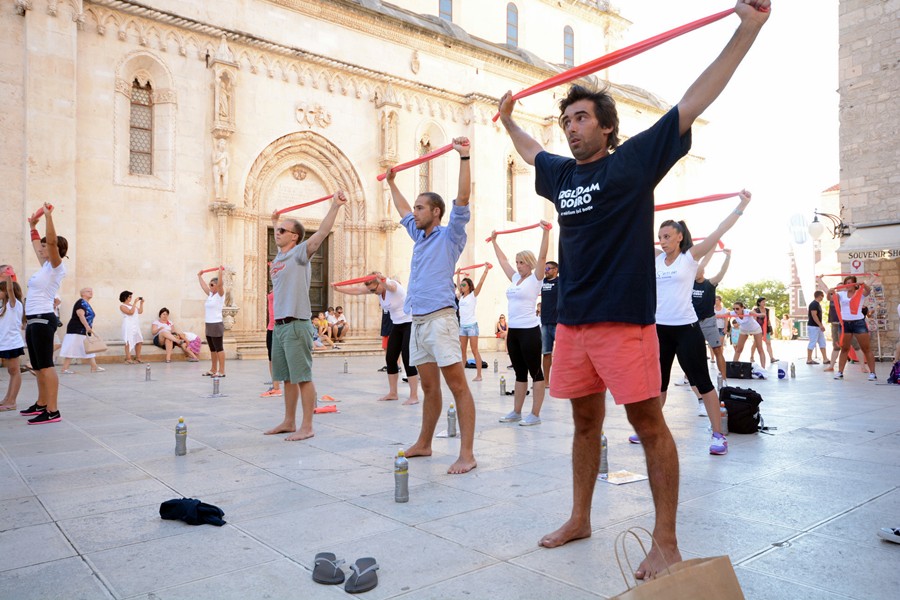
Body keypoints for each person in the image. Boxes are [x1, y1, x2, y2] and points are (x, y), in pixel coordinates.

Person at [498, 0, 771, 575]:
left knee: (648, 425)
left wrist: (747, 30)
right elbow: (529, 151)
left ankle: (666, 541)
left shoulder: (633, 162)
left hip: (624, 322)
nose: (572, 127)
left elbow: (694, 100)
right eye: (567, 119)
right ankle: (580, 517)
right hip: (571, 323)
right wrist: (507, 120)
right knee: (582, 424)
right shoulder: (562, 174)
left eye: (581, 118)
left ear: (606, 125)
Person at [385, 136, 477, 475]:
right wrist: (392, 182)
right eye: (417, 208)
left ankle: (467, 453)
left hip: (440, 319)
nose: (416, 212)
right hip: (417, 321)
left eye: (422, 208)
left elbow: (463, 198)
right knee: (427, 386)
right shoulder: (418, 234)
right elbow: (403, 209)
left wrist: (464, 156)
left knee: (457, 385)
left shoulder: (450, 234)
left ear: (435, 212)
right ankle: (424, 443)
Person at [639, 195, 751, 456]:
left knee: (703, 382)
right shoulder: (655, 258)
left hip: (686, 329)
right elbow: (631, 233)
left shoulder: (689, 258)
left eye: (667, 236)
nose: (663, 241)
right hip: (660, 329)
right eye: (660, 237)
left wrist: (741, 207)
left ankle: (718, 434)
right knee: (659, 383)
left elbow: (719, 230)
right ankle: (652, 430)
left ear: (679, 236)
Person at [265, 191, 347, 441]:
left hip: (296, 324)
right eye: (276, 230)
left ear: (295, 236)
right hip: (279, 326)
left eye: (282, 230)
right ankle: (289, 422)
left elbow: (321, 233)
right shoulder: (279, 256)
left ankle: (307, 426)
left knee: (302, 377)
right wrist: (275, 220)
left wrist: (335, 206)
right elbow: (277, 229)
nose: (277, 233)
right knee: (287, 377)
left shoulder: (300, 253)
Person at [491, 222, 551, 426]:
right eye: (517, 262)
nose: (517, 265)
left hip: (530, 331)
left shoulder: (536, 278)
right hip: (514, 331)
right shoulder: (515, 278)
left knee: (536, 372)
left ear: (529, 263)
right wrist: (494, 242)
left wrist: (546, 232)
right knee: (519, 372)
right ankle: (516, 411)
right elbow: (502, 261)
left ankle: (535, 414)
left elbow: (543, 257)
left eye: (521, 262)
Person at [334, 274, 420, 404]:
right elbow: (357, 290)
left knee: (408, 359)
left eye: (374, 289)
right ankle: (393, 393)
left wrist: (383, 281)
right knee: (390, 358)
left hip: (409, 323)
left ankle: (414, 396)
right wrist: (338, 288)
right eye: (371, 290)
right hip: (396, 325)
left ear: (380, 283)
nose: (373, 293)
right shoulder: (377, 289)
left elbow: (390, 286)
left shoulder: (393, 286)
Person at [20, 203, 68, 424]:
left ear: (55, 249)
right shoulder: (45, 267)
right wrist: (33, 226)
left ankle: (53, 410)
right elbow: (38, 244)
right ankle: (41, 403)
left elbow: (50, 240)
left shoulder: (57, 267)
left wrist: (48, 217)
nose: (41, 249)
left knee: (46, 365)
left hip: (43, 319)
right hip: (33, 321)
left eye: (45, 246)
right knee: (38, 367)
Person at [692, 248, 732, 386]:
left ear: (702, 271)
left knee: (717, 350)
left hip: (708, 322)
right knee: (692, 353)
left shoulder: (710, 284)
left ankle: (724, 381)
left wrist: (727, 257)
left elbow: (722, 272)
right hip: (693, 323)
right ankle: (690, 379)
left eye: (697, 269)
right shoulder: (688, 283)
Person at [829, 276, 877, 380]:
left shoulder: (860, 293)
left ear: (854, 284)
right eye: (846, 283)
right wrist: (829, 292)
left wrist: (863, 284)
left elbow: (868, 290)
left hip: (858, 323)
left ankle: (872, 373)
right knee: (844, 349)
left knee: (866, 348)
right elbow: (830, 298)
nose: (847, 285)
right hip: (845, 323)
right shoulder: (841, 294)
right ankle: (840, 372)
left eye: (850, 283)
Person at [456, 267, 490, 381]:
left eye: (464, 285)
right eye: (461, 285)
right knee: (462, 351)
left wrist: (486, 270)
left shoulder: (473, 295)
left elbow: (480, 282)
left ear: (469, 287)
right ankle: (461, 375)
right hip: (462, 326)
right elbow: (457, 284)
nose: (461, 287)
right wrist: (458, 274)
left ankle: (479, 375)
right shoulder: (461, 297)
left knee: (475, 350)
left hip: (472, 326)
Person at [60, 288, 104, 373]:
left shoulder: (86, 303)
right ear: (82, 294)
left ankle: (94, 367)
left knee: (89, 348)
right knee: (71, 348)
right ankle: (64, 368)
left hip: (83, 330)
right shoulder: (81, 302)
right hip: (77, 330)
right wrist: (87, 327)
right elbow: (80, 315)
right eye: (88, 291)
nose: (91, 292)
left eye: (91, 291)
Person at [0, 270, 25, 412]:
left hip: (12, 343)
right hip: (4, 343)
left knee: (14, 371)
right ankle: (7, 399)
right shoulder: (3, 306)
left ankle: (12, 401)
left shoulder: (13, 304)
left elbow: (10, 288)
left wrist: (8, 276)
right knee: (11, 371)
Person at [718, 301, 766, 366]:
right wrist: (716, 316)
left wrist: (760, 314)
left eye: (737, 309)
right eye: (734, 309)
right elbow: (724, 315)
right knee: (739, 349)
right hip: (744, 330)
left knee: (760, 348)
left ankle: (763, 369)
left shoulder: (747, 312)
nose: (735, 310)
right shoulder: (733, 313)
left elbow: (756, 314)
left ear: (742, 308)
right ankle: (733, 367)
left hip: (755, 329)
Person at [197, 266, 226, 377]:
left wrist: (219, 273)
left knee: (219, 348)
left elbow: (220, 285)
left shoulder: (220, 295)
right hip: (209, 324)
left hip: (216, 324)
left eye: (212, 284)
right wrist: (199, 276)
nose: (210, 286)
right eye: (210, 284)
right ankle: (213, 369)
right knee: (212, 349)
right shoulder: (210, 295)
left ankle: (222, 371)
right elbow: (203, 286)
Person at [541, 261, 560, 386]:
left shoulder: (561, 282)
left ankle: (563, 381)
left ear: (555, 270)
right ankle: (546, 381)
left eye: (548, 268)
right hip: (545, 323)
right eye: (545, 268)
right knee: (546, 353)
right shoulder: (542, 282)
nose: (546, 270)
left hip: (559, 323)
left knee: (563, 354)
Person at [261, 290, 282, 397]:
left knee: (277, 357)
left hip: (280, 326)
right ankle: (275, 386)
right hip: (271, 326)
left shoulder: (285, 285)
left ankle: (278, 387)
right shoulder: (276, 285)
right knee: (271, 357)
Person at [119, 291, 145, 364]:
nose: (131, 298)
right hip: (128, 325)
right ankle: (128, 358)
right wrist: (134, 303)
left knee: (139, 340)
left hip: (135, 325)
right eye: (130, 296)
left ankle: (138, 357)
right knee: (128, 340)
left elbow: (140, 311)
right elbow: (130, 312)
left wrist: (141, 303)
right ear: (125, 297)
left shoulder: (132, 305)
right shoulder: (122, 306)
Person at [749, 297, 777, 364]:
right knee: (755, 344)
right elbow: (754, 320)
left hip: (766, 328)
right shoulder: (755, 310)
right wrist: (752, 330)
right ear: (759, 303)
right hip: (758, 329)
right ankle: (752, 356)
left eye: (765, 301)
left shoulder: (767, 310)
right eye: (763, 302)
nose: (764, 303)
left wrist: (770, 328)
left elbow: (768, 319)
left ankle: (772, 358)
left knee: (768, 343)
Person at [806, 291, 829, 364]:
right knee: (812, 342)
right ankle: (809, 359)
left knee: (822, 342)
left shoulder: (817, 304)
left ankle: (825, 359)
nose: (823, 298)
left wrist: (820, 325)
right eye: (822, 296)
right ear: (820, 296)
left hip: (817, 327)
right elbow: (814, 315)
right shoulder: (814, 304)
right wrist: (820, 325)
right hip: (813, 326)